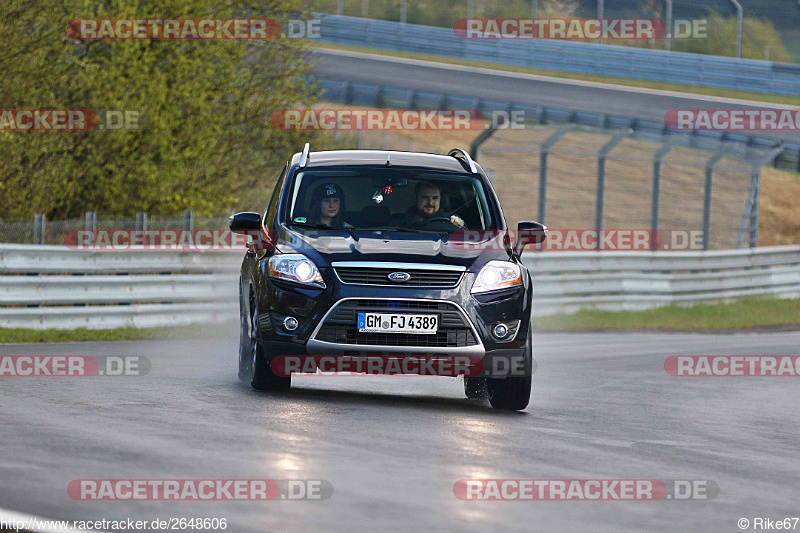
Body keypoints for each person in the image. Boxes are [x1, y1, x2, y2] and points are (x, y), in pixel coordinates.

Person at [395, 181, 466, 229]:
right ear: (415, 198)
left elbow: (465, 237)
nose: (430, 202)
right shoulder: (398, 222)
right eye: (425, 197)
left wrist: (460, 225)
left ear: (440, 199)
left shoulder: (450, 222)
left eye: (435, 198)